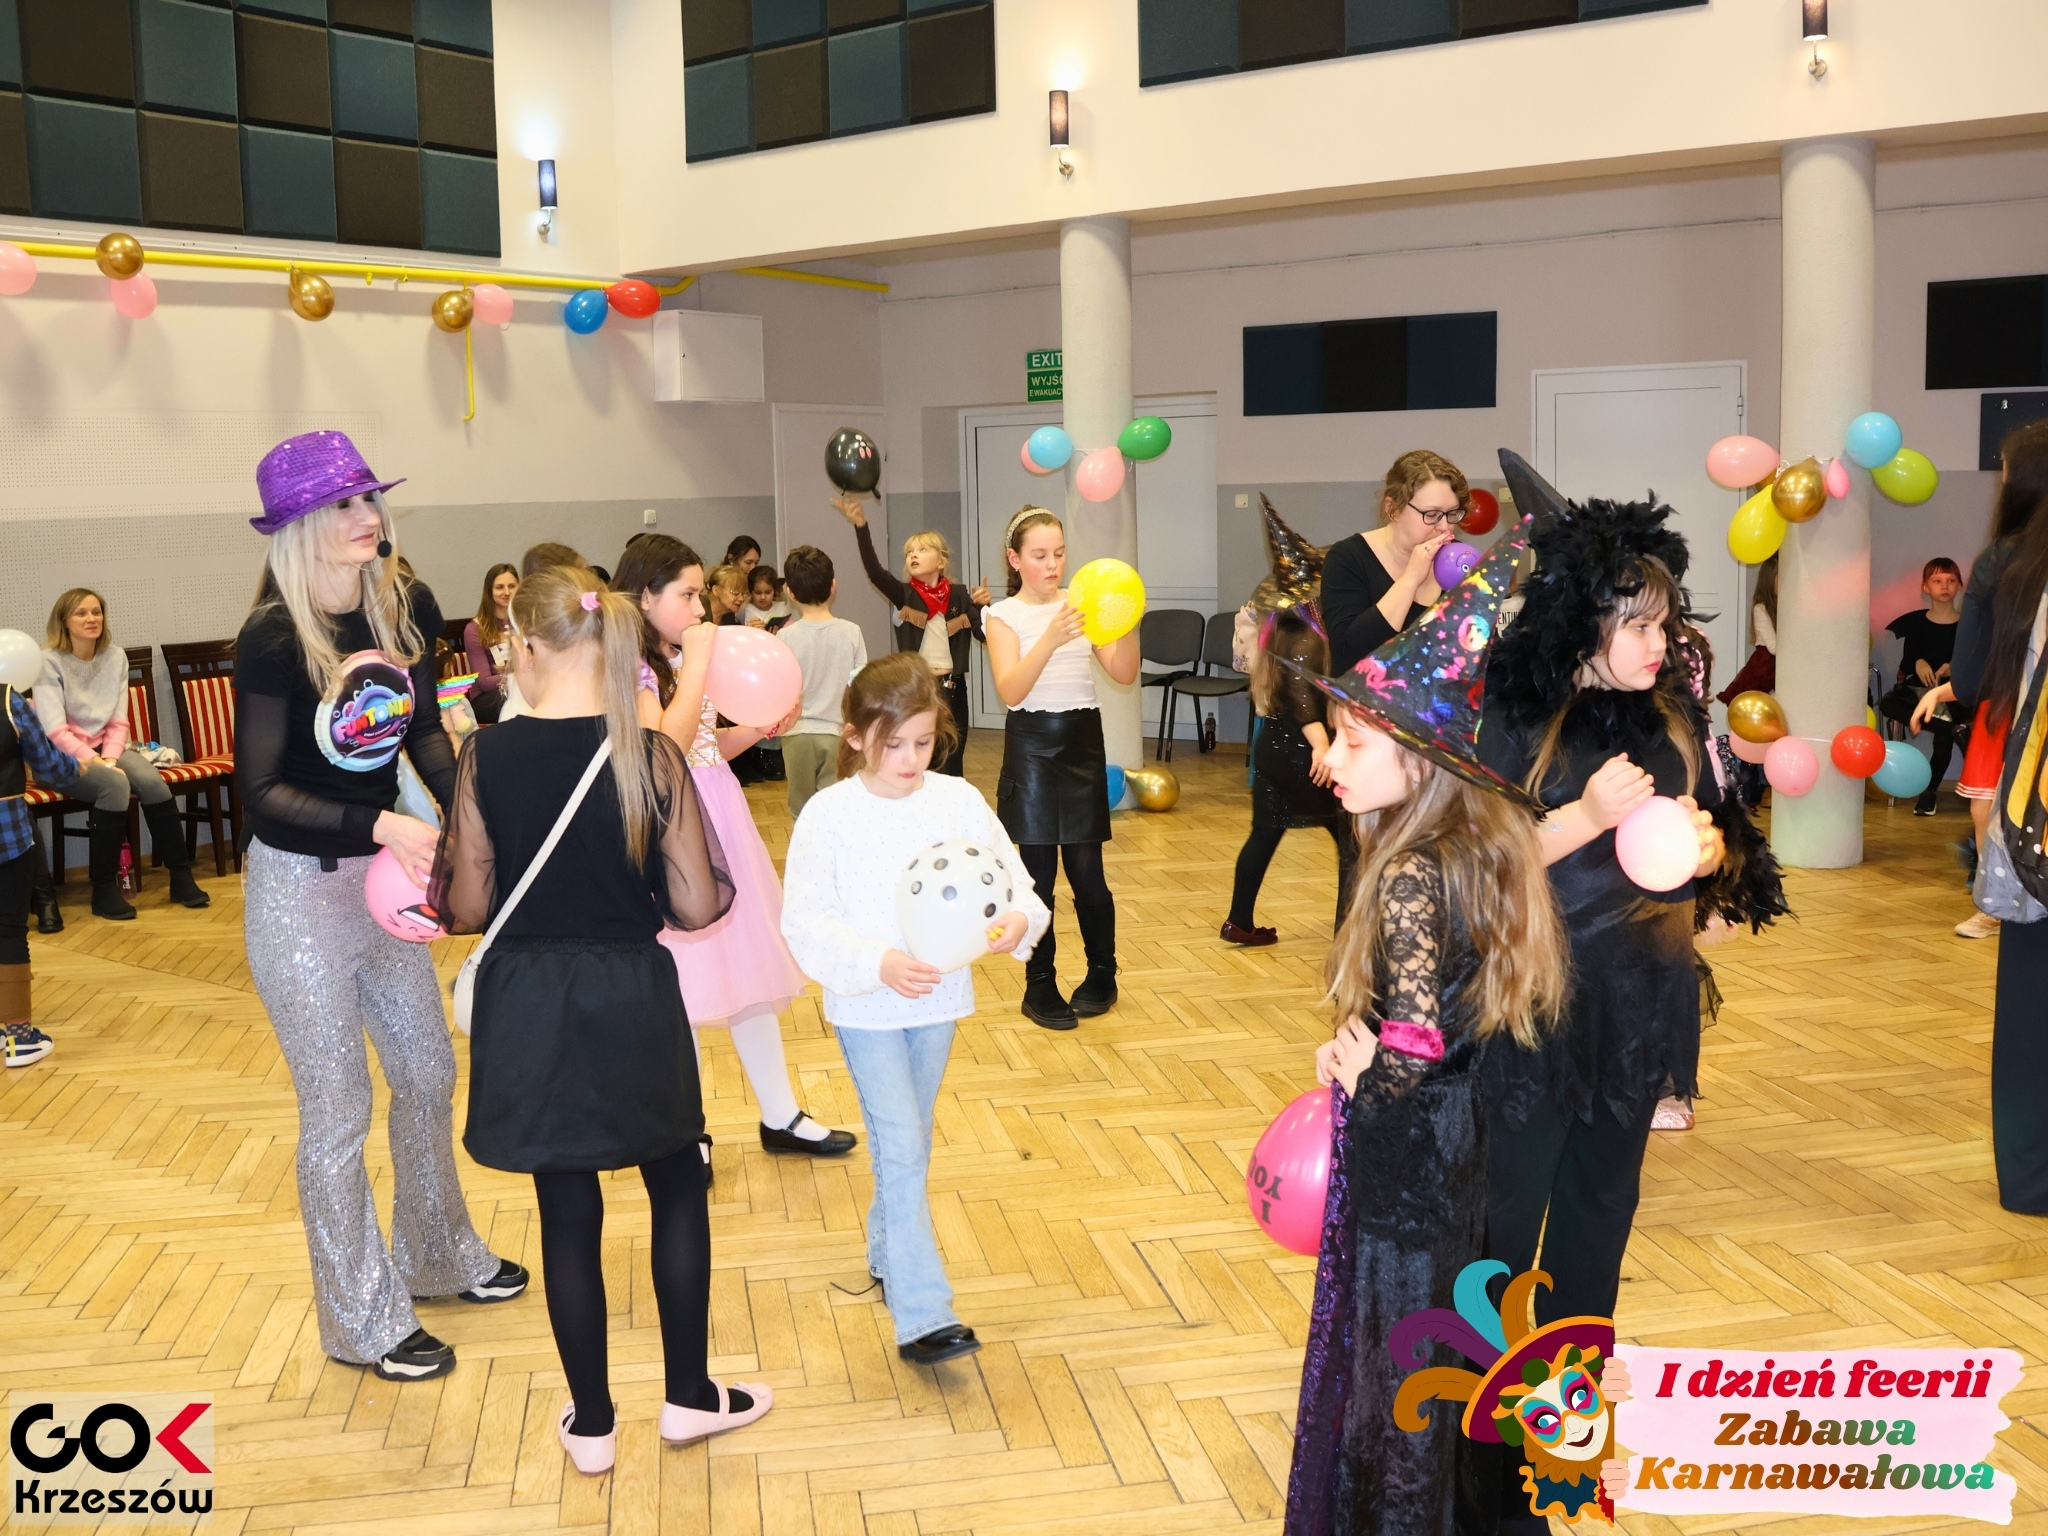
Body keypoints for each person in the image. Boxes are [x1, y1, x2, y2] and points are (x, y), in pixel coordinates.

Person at [431, 566, 770, 1475]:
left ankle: (591, 1424)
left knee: (566, 1208)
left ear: (527, 647)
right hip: (630, 994)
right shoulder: (650, 754)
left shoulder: (485, 756)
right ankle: (690, 1396)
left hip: (531, 1004)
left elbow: (466, 907)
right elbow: (699, 906)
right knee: (676, 1184)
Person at [1282, 528, 1570, 1536]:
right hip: (1458, 1142)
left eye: (1355, 743)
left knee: (1396, 1346)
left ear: (1417, 763)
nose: (1332, 756)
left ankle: (1401, 1514)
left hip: (1407, 1150)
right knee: (1440, 1336)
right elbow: (1440, 1022)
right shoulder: (1467, 850)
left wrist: (1362, 1078)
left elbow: (1408, 1044)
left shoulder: (1407, 870)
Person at [233, 430, 524, 1383]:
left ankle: (437, 1257)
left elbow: (428, 730)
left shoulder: (404, 604)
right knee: (338, 1109)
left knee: (429, 1072)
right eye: (346, 505)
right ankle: (362, 1321)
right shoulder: (274, 637)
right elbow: (261, 792)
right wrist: (383, 824)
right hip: (299, 894)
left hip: (384, 881)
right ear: (300, 527)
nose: (369, 517)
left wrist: (460, 809)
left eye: (370, 498)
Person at [1475, 453, 1786, 1342]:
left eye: (1666, 623)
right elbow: (1474, 866)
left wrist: (1713, 854)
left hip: (1639, 997)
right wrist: (1582, 817)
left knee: (1605, 1197)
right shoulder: (1520, 719)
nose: (1661, 644)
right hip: (1535, 998)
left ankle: (1573, 1367)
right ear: (1583, 624)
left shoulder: (1673, 717)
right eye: (1639, 626)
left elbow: (1716, 830)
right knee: (1507, 1203)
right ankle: (1481, 1379)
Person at [781, 654, 1050, 1365]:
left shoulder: (957, 801)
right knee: (900, 1143)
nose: (909, 758)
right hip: (866, 1005)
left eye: (923, 742)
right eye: (892, 743)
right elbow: (805, 920)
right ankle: (923, 1313)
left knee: (910, 1140)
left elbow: (1016, 885)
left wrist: (1018, 922)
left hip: (938, 1001)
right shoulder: (829, 815)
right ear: (854, 736)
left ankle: (885, 1248)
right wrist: (877, 961)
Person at [612, 535, 856, 1166]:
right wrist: (696, 662)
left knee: (747, 971)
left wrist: (756, 729)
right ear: (645, 597)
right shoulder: (632, 667)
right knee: (682, 985)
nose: (701, 610)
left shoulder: (683, 657)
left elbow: (703, 749)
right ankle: (684, 1131)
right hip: (671, 830)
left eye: (701, 595)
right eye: (688, 595)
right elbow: (662, 748)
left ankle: (780, 1114)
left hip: (720, 815)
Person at [1925, 421, 2048, 1209]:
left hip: (2034, 785)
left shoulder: (2005, 562)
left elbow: (1970, 679)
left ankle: (2032, 1180)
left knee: (2032, 992)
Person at [984, 508, 1141, 1030]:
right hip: (1031, 749)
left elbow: (1122, 672)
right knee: (1037, 880)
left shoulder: (1082, 602)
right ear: (1015, 560)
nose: (1053, 565)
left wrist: (1126, 622)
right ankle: (1039, 984)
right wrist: (1050, 637)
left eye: (1059, 553)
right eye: (1039, 555)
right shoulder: (1003, 615)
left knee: (1089, 875)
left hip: (1081, 744)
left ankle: (1103, 974)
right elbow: (1011, 690)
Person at [1222, 497, 1356, 945]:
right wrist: (1322, 745)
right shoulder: (1305, 639)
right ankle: (1349, 934)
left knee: (1264, 834)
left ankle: (1239, 921)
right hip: (1304, 753)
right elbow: (1302, 698)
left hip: (1273, 750)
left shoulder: (1277, 631)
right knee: (1351, 840)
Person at [35, 588, 210, 918]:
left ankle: (181, 877)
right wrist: (100, 763)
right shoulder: (48, 661)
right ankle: (103, 890)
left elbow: (118, 721)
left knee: (153, 782)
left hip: (107, 748)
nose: (92, 619)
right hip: (59, 757)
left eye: (96, 612)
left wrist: (111, 759)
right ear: (64, 621)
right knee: (114, 785)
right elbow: (55, 731)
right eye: (81, 613)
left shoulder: (115, 657)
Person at [833, 493, 990, 777]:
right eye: (909, 553)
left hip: (953, 690)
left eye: (922, 550)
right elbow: (875, 572)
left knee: (952, 760)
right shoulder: (904, 594)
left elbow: (984, 635)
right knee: (919, 758)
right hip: (916, 687)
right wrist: (861, 526)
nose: (913, 555)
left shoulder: (959, 595)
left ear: (941, 561)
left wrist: (983, 607)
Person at [1320, 449, 1469, 675]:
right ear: (1393, 509)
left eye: (1452, 514)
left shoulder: (1458, 559)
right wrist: (1410, 579)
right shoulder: (1348, 558)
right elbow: (1348, 655)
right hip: (1366, 695)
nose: (1445, 527)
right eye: (1431, 515)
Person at [2, 679, 80, 1066]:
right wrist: (76, 767)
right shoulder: (8, 701)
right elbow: (48, 764)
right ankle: (19, 1039)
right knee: (9, 931)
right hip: (7, 836)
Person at [778, 545, 870, 817]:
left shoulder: (784, 637)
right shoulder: (852, 632)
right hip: (838, 734)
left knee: (801, 812)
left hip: (796, 736)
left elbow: (778, 690)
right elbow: (861, 687)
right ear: (833, 586)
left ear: (790, 593)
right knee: (836, 810)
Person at [1880, 558, 1962, 816]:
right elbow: (1907, 661)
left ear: (1959, 585)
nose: (1944, 586)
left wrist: (1953, 666)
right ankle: (1954, 730)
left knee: (1944, 735)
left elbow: (1974, 661)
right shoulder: (1917, 622)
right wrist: (1918, 662)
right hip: (1918, 690)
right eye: (1937, 581)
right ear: (1926, 587)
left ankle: (1929, 792)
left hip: (1952, 692)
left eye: (1950, 581)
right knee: (1888, 704)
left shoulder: (1966, 624)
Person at [1715, 553, 1777, 705]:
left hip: (1775, 665)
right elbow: (1773, 647)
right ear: (1770, 580)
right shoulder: (1761, 609)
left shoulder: (1781, 606)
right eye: (1779, 577)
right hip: (1765, 665)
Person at [463, 563, 518, 726]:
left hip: (520, 688)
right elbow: (485, 682)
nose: (507, 592)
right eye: (500, 587)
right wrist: (519, 677)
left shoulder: (526, 622)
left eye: (512, 586)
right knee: (515, 699)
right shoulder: (474, 629)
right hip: (488, 698)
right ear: (489, 591)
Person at [745, 566, 791, 631]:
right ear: (750, 592)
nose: (763, 597)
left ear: (774, 591)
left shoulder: (782, 608)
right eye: (758, 593)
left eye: (768, 592)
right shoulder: (748, 609)